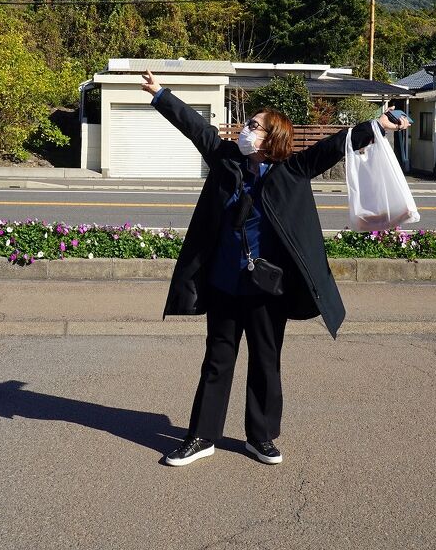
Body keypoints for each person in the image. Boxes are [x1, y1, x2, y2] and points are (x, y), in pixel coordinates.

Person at [141, 69, 411, 467]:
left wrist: (377, 125)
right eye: (248, 124)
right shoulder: (226, 161)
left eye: (254, 126)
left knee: (267, 361)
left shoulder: (291, 172)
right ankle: (201, 436)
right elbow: (195, 128)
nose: (245, 130)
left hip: (268, 288)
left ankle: (261, 437)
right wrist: (161, 94)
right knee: (217, 360)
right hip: (223, 283)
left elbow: (334, 146)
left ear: (272, 140)